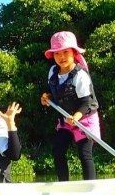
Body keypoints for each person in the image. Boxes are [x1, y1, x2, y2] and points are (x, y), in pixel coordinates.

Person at [39, 31, 100, 181]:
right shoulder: (53, 72)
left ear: (74, 52)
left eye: (65, 52)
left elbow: (87, 102)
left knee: (84, 154)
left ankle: (90, 186)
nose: (61, 57)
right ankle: (63, 184)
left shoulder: (80, 75)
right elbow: (56, 93)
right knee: (58, 149)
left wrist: (77, 116)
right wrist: (47, 98)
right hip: (66, 120)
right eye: (57, 53)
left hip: (85, 118)